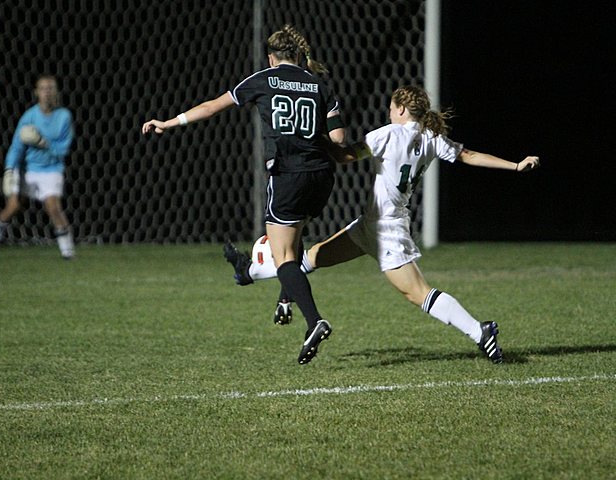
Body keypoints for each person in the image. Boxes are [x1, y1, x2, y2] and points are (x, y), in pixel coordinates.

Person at [224, 85, 541, 364]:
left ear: (401, 108)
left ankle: (479, 330)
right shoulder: (431, 139)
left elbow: (346, 156)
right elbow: (469, 155)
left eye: (391, 108)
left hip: (387, 231)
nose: (389, 113)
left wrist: (311, 138)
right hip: (371, 225)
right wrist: (514, 165)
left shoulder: (388, 134)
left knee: (417, 293)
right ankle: (248, 271)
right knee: (311, 258)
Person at [142, 24, 370, 365]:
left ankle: (314, 321)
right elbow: (338, 140)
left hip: (288, 173)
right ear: (298, 55)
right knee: (292, 246)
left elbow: (212, 106)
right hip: (322, 176)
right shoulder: (320, 86)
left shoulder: (264, 78)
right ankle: (279, 295)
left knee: (283, 256)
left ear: (271, 57)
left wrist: (169, 123)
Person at [0, 74, 75, 260]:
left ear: (56, 92)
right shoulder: (29, 116)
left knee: (52, 206)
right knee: (13, 206)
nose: (47, 92)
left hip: (51, 169)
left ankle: (68, 252)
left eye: (51, 88)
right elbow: (16, 147)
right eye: (43, 88)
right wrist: (9, 169)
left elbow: (63, 149)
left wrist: (42, 142)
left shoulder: (64, 116)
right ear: (36, 93)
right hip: (28, 170)